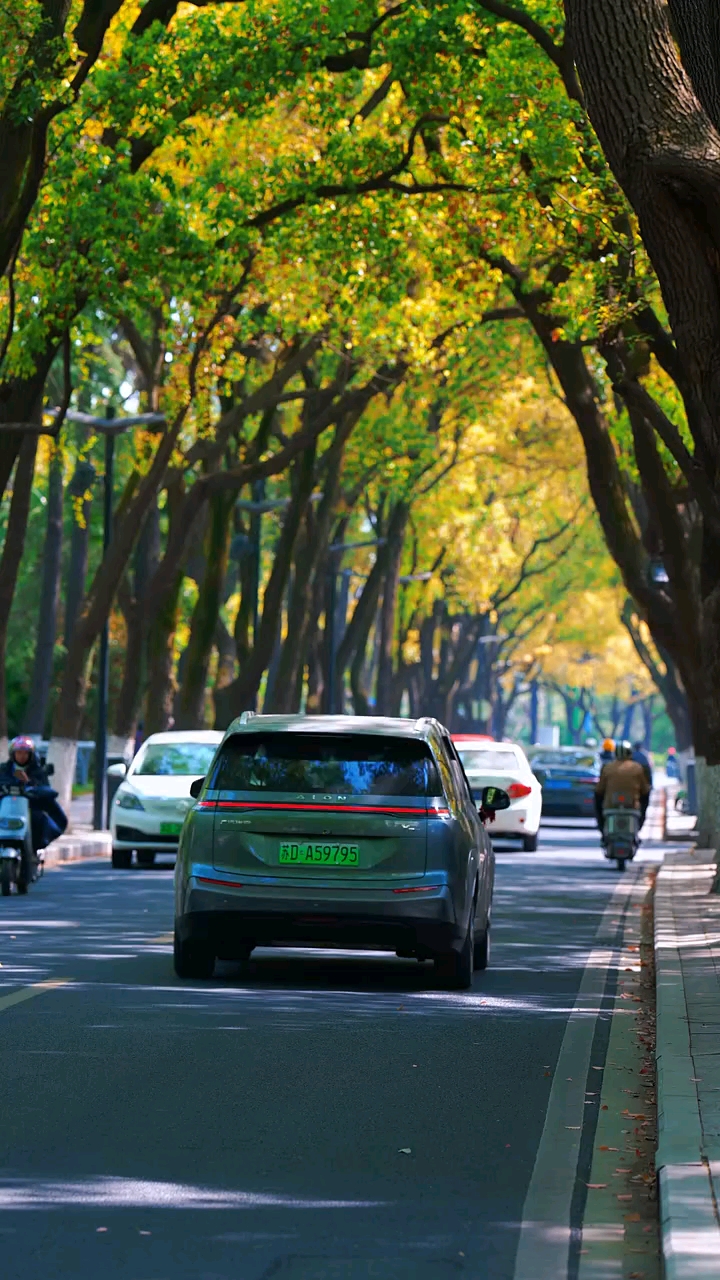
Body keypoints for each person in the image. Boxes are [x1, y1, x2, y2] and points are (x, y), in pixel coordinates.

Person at [0, 736, 67, 852]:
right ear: (13, 754)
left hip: (30, 808)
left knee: (39, 819)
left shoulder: (38, 770)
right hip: (7, 807)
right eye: (19, 753)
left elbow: (45, 788)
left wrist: (29, 783)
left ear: (31, 755)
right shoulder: (4, 769)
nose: (22, 756)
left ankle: (33, 849)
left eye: (25, 753)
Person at [595, 740, 651, 838]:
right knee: (646, 797)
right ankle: (639, 826)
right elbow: (645, 790)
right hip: (632, 805)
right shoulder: (637, 767)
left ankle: (602, 829)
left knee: (597, 798)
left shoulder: (607, 767)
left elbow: (599, 790)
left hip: (611, 805)